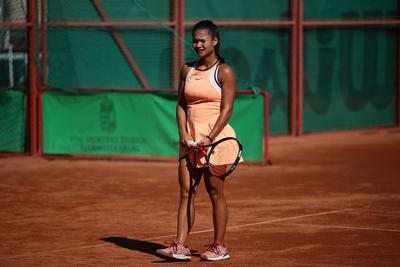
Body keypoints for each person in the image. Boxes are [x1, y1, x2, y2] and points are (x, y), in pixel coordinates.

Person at [156, 20, 241, 261]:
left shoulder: (224, 72)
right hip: (190, 141)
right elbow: (181, 105)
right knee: (186, 193)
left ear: (215, 41)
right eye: (194, 40)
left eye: (202, 40)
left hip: (216, 141)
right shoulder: (187, 70)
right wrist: (183, 134)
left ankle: (219, 246)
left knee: (215, 194)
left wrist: (210, 137)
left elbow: (227, 110)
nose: (197, 44)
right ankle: (180, 245)